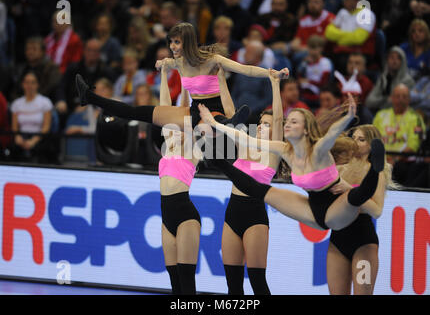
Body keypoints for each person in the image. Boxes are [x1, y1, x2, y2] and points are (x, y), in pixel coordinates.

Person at [198, 93, 386, 232]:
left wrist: (347, 118)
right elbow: (245, 138)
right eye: (289, 122)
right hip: (310, 209)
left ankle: (374, 171)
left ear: (305, 130)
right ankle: (218, 162)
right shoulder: (285, 149)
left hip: (335, 211)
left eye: (294, 122)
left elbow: (331, 134)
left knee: (354, 195)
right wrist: (214, 123)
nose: (288, 125)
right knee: (261, 191)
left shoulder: (319, 150)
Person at [76, 22, 289, 135]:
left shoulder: (212, 60)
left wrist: (273, 73)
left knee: (209, 126)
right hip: (193, 110)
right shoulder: (177, 61)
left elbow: (246, 69)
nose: (172, 47)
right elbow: (165, 63)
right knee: (137, 112)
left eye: (176, 43)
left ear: (187, 41)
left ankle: (228, 124)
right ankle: (90, 97)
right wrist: (162, 64)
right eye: (171, 42)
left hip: (215, 108)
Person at [219, 67, 283, 295]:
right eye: (261, 124)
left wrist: (274, 83)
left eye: (268, 126)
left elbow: (278, 117)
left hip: (255, 215)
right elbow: (230, 112)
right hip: (232, 213)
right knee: (233, 285)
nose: (263, 128)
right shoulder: (244, 145)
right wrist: (220, 77)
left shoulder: (274, 154)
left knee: (257, 282)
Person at [326, 124, 397, 295]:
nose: (355, 142)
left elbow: (377, 210)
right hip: (337, 239)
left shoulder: (376, 172)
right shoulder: (340, 167)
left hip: (363, 241)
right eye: (354, 138)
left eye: (361, 139)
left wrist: (349, 189)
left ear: (372, 145)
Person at [157, 62, 202, 295]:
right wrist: (164, 73)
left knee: (187, 282)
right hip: (166, 216)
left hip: (185, 215)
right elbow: (164, 107)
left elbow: (184, 107)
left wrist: (184, 73)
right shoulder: (167, 147)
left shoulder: (190, 146)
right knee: (174, 281)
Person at [10, 72, 56, 163]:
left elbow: (46, 127)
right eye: (27, 82)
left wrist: (33, 141)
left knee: (43, 150)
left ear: (37, 85)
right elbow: (15, 127)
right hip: (22, 137)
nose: (29, 85)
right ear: (23, 84)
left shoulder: (45, 102)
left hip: (39, 138)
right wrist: (18, 137)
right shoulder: (16, 104)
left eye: (32, 82)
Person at [366, 46, 415, 113]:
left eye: (398, 58)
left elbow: (399, 103)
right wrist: (385, 99)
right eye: (392, 57)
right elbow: (369, 101)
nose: (394, 61)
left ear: (403, 61)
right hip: (380, 113)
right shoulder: (383, 78)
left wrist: (381, 102)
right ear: (387, 60)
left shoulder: (408, 81)